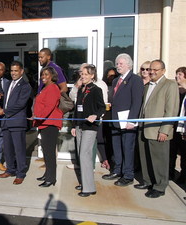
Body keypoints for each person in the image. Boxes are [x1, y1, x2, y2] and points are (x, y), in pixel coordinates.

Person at [136, 59, 179, 198]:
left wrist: (164, 130)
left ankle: (160, 186)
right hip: (144, 128)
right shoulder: (148, 86)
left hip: (158, 130)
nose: (152, 72)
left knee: (159, 160)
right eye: (150, 69)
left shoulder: (170, 85)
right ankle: (148, 181)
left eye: (155, 70)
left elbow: (171, 110)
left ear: (163, 71)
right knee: (146, 158)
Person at [102, 53, 144, 187]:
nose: (118, 66)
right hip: (116, 120)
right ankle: (117, 170)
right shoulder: (115, 81)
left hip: (128, 121)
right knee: (117, 148)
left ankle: (128, 175)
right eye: (117, 63)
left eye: (121, 63)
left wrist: (132, 120)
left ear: (129, 65)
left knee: (127, 148)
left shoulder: (135, 79)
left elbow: (137, 101)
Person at [71, 64, 105, 197]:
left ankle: (89, 188)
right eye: (82, 74)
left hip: (90, 127)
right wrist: (74, 126)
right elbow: (76, 109)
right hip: (80, 125)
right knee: (81, 154)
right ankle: (85, 182)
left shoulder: (96, 90)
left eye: (86, 74)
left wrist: (95, 115)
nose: (83, 76)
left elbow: (102, 108)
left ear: (92, 75)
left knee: (85, 154)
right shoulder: (81, 89)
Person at [0, 61, 32, 185]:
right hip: (6, 122)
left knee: (19, 149)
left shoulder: (25, 86)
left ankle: (20, 173)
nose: (13, 73)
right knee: (7, 149)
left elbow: (20, 104)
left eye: (16, 71)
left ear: (21, 71)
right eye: (12, 70)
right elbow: (7, 101)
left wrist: (5, 111)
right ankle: (10, 169)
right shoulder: (8, 84)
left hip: (17, 122)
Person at [33, 67, 63, 187]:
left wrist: (38, 116)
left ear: (52, 75)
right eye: (42, 74)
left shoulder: (53, 88)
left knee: (50, 153)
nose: (43, 76)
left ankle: (51, 178)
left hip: (50, 124)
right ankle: (47, 174)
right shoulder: (46, 88)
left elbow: (49, 107)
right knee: (46, 152)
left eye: (46, 74)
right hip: (43, 123)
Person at [175, 67, 186, 183]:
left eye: (180, 74)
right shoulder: (179, 91)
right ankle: (183, 175)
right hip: (181, 129)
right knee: (183, 155)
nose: (177, 76)